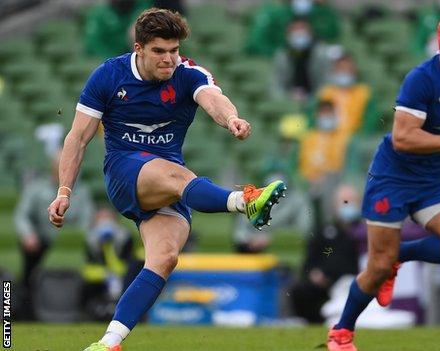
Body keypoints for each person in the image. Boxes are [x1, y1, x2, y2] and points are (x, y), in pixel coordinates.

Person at [47, 9, 287, 351]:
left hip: (169, 180)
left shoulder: (188, 73)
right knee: (177, 175)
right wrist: (64, 191)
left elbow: (213, 99)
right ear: (139, 49)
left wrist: (232, 119)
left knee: (165, 257)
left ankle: (108, 342)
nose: (169, 59)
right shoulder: (109, 76)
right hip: (125, 172)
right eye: (159, 51)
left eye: (173, 50)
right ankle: (245, 201)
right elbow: (77, 138)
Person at [326, 11, 440, 350]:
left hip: (435, 181)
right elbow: (403, 139)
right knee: (377, 265)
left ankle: (401, 256)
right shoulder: (422, 80)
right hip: (392, 178)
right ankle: (342, 331)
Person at [14, 151, 94, 319]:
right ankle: (26, 307)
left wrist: (73, 238)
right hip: (41, 241)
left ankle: (85, 307)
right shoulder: (35, 187)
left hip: (71, 243)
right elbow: (21, 215)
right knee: (28, 255)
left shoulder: (82, 191)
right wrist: (28, 234)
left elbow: (87, 221)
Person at [290, 184, 360, 323]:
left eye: (352, 201)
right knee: (299, 291)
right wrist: (314, 274)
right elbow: (310, 260)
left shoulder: (362, 234)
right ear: (335, 205)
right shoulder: (324, 232)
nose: (348, 205)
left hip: (351, 282)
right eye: (344, 201)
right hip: (322, 285)